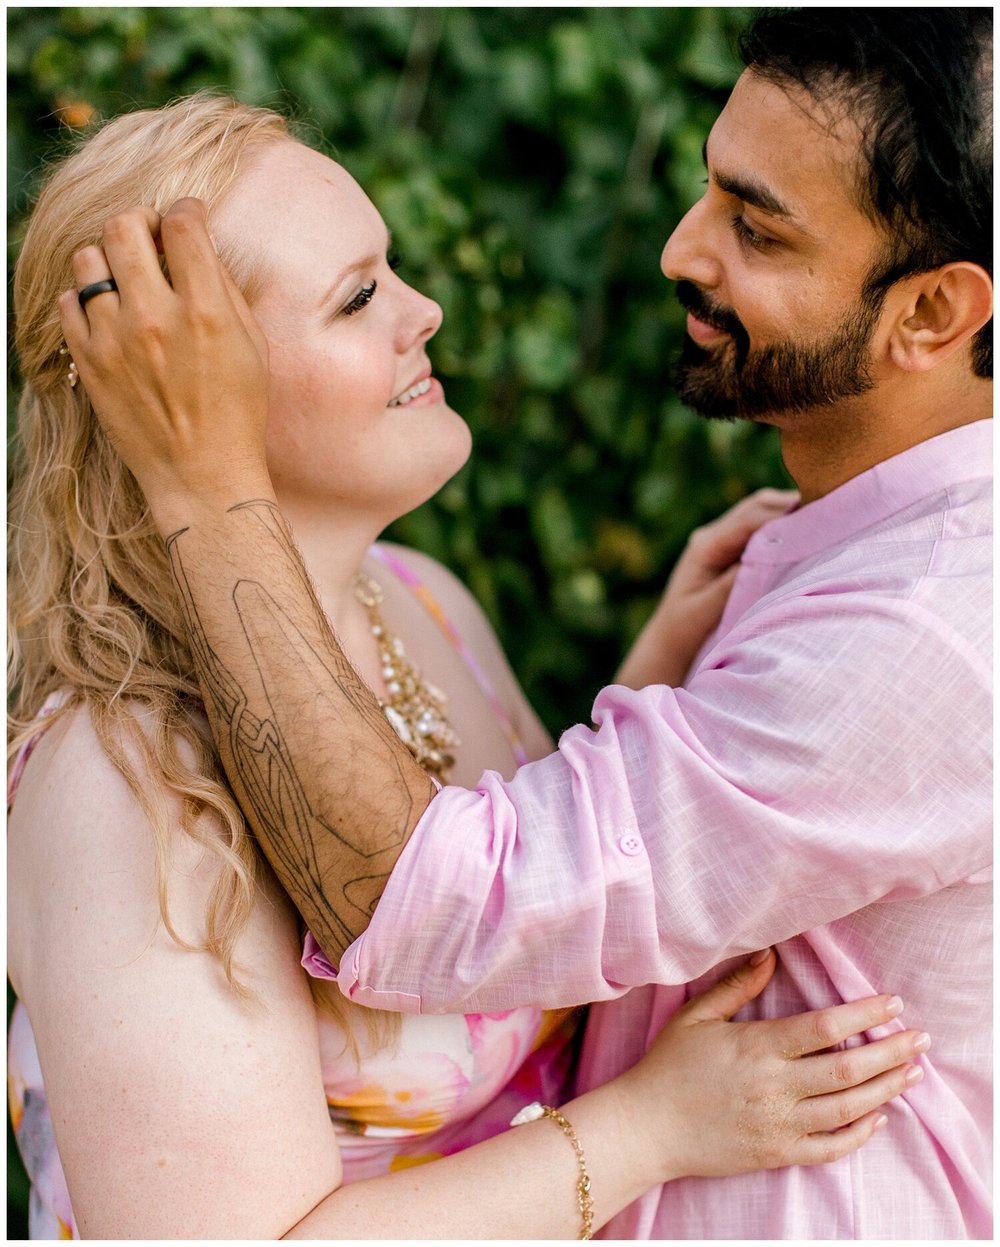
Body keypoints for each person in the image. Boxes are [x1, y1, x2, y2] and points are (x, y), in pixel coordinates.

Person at [57, 7, 991, 1240]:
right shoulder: (115, 764)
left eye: (756, 225)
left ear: (931, 314)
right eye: (356, 296)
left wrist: (203, 483)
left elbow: (452, 894)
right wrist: (679, 674)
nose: (678, 249)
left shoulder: (917, 623)